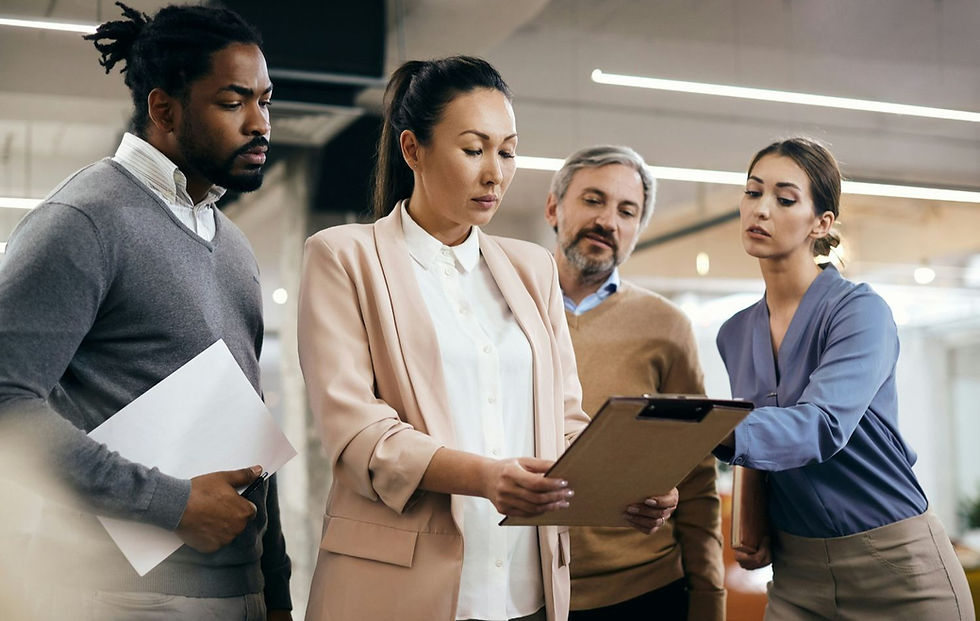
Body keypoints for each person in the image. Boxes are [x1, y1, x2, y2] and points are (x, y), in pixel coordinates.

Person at [297, 57, 677, 621]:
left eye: (507, 151)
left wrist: (624, 483)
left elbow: (563, 419)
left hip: (526, 586)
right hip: (402, 587)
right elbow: (357, 433)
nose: (495, 173)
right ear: (412, 151)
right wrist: (484, 478)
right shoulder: (344, 257)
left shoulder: (531, 269)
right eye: (474, 150)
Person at [0, 4, 291, 619]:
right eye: (234, 102)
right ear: (164, 109)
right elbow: (6, 401)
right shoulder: (85, 220)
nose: (260, 123)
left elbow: (250, 429)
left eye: (266, 101)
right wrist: (171, 504)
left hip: (240, 594)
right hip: (117, 597)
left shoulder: (233, 245)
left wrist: (276, 587)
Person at [715, 137, 973, 620]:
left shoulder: (859, 313)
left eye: (785, 199)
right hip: (797, 575)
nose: (762, 209)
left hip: (896, 566)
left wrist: (700, 429)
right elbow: (755, 439)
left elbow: (821, 426)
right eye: (753, 193)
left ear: (822, 223)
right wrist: (750, 525)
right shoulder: (735, 334)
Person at [544, 145, 725, 620]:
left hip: (642, 592)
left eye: (627, 211)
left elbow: (697, 473)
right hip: (522, 588)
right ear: (553, 208)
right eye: (593, 200)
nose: (608, 220)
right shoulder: (505, 308)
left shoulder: (667, 326)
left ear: (637, 231)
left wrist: (708, 596)